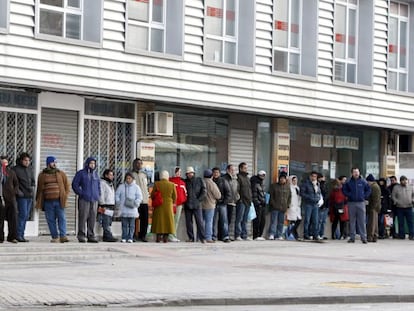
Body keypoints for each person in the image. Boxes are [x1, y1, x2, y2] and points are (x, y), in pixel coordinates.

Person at [35, 156, 70, 243]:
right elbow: (39, 188)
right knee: (50, 219)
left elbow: (67, 185)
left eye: (55, 162)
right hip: (47, 201)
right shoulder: (42, 175)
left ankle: (63, 236)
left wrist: (65, 195)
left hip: (59, 200)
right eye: (53, 162)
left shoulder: (61, 173)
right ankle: (55, 237)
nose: (54, 164)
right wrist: (38, 200)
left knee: (62, 218)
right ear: (48, 163)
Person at [72, 157, 101, 243]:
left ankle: (91, 235)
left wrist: (98, 194)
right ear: (87, 164)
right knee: (83, 217)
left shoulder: (96, 174)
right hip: (84, 199)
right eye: (91, 163)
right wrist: (81, 193)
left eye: (94, 163)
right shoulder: (81, 173)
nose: (92, 165)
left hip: (94, 199)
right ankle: (81, 235)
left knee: (92, 218)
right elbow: (75, 185)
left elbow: (98, 186)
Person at [342, 167, 371, 244]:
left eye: (357, 172)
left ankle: (363, 237)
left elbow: (368, 189)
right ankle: (352, 237)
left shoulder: (363, 181)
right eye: (354, 172)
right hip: (351, 202)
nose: (356, 173)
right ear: (352, 173)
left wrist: (364, 196)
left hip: (361, 203)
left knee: (362, 221)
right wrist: (349, 195)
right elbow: (344, 190)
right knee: (352, 220)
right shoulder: (348, 181)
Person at [13, 152, 36, 242]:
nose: (27, 162)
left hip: (29, 196)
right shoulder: (15, 169)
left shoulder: (30, 169)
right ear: (21, 160)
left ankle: (21, 234)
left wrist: (32, 188)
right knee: (22, 215)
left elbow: (33, 181)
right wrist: (18, 192)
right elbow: (13, 183)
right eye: (25, 160)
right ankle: (18, 235)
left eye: (28, 160)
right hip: (21, 196)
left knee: (26, 216)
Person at [115, 172, 142, 243]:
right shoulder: (121, 186)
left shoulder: (136, 187)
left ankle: (130, 237)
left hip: (132, 209)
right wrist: (118, 202)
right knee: (124, 224)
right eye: (127, 178)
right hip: (123, 209)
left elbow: (139, 197)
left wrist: (136, 203)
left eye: (129, 178)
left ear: (133, 179)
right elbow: (117, 195)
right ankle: (124, 237)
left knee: (132, 225)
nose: (128, 180)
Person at [183, 166, 206, 243]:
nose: (190, 174)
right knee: (189, 223)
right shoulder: (185, 182)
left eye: (191, 173)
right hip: (188, 204)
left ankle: (202, 238)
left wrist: (198, 200)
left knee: (199, 222)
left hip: (197, 205)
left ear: (193, 173)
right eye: (188, 173)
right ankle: (191, 238)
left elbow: (204, 191)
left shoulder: (199, 180)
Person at [0, 156, 19, 243]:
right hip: (1, 198)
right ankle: (0, 237)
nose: (4, 164)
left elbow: (16, 184)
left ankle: (12, 237)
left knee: (13, 218)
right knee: (1, 218)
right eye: (2, 162)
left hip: (11, 198)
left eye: (5, 162)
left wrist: (14, 192)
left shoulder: (11, 172)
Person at [268, 172, 291, 240]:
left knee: (281, 222)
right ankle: (272, 234)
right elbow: (270, 196)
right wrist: (273, 204)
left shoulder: (287, 187)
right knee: (273, 221)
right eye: (281, 178)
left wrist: (287, 205)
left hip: (283, 208)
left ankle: (279, 235)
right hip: (275, 207)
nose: (282, 180)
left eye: (283, 178)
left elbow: (289, 197)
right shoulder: (274, 186)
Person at [300, 171, 323, 241]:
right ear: (310, 176)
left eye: (315, 176)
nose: (314, 178)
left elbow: (319, 193)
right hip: (308, 204)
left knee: (315, 220)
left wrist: (318, 198)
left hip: (315, 204)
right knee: (307, 220)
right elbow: (302, 193)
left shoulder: (317, 184)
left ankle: (315, 234)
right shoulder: (306, 184)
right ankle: (306, 234)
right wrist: (310, 197)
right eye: (313, 176)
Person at [131, 158, 149, 242]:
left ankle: (143, 235)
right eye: (138, 163)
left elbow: (146, 186)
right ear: (134, 164)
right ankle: (133, 234)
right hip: (135, 200)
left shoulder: (144, 175)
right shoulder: (131, 174)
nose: (139, 165)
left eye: (141, 163)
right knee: (134, 218)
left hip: (144, 200)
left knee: (144, 219)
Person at [200, 169, 221, 243]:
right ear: (211, 176)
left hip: (201, 205)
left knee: (201, 222)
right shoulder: (212, 183)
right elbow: (218, 195)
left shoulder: (201, 182)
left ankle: (200, 237)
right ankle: (208, 237)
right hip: (210, 205)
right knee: (209, 221)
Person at [212, 167, 231, 243]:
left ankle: (225, 236)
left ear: (219, 173)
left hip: (222, 204)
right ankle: (213, 236)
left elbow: (228, 192)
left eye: (217, 172)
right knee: (213, 221)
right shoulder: (211, 181)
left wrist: (225, 202)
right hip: (213, 204)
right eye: (214, 172)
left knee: (224, 220)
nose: (216, 174)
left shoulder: (223, 181)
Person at [391, 175, 414, 240]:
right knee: (401, 222)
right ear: (400, 181)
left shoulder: (411, 187)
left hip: (409, 207)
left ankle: (411, 235)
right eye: (403, 181)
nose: (404, 182)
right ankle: (402, 235)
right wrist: (396, 202)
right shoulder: (396, 187)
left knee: (410, 222)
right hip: (400, 207)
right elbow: (393, 196)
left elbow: (413, 195)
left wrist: (412, 200)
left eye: (405, 180)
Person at [98, 169, 118, 242]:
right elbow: (101, 194)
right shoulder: (102, 183)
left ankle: (106, 235)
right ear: (106, 175)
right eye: (110, 175)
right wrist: (102, 203)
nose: (112, 176)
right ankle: (108, 236)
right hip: (105, 205)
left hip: (111, 204)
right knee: (105, 221)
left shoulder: (110, 183)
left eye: (112, 175)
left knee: (109, 221)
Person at [168, 167, 187, 242]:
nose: (179, 173)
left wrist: (182, 201)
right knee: (171, 220)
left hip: (179, 204)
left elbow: (185, 194)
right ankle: (170, 235)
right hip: (171, 203)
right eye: (177, 172)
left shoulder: (182, 182)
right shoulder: (170, 181)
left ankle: (173, 235)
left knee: (176, 220)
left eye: (180, 172)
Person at [235, 162, 252, 241]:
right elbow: (236, 190)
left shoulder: (247, 178)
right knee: (239, 219)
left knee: (245, 220)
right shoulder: (238, 177)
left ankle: (244, 235)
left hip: (248, 201)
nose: (246, 169)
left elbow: (249, 190)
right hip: (241, 201)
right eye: (244, 168)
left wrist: (250, 199)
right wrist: (239, 199)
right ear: (240, 168)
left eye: (246, 168)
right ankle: (237, 234)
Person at [222, 164, 239, 237]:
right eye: (231, 170)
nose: (233, 171)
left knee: (229, 220)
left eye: (234, 170)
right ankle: (224, 235)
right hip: (226, 202)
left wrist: (237, 197)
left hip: (232, 202)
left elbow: (236, 190)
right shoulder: (224, 178)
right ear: (227, 170)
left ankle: (227, 234)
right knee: (224, 220)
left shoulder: (234, 179)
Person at [251, 170, 267, 241]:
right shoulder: (255, 183)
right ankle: (256, 235)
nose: (263, 177)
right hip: (257, 205)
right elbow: (254, 194)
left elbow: (263, 194)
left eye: (264, 175)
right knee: (257, 220)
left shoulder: (262, 183)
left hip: (262, 204)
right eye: (262, 175)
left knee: (263, 220)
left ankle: (260, 234)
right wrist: (257, 203)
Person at [366, 174, 381, 242]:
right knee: (375, 223)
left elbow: (376, 199)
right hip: (375, 207)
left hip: (373, 207)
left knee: (372, 223)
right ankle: (375, 236)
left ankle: (370, 236)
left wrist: (372, 207)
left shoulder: (374, 187)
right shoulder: (375, 186)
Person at [286, 175, 301, 240]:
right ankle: (293, 234)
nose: (295, 182)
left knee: (298, 220)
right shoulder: (289, 188)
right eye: (293, 180)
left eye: (295, 180)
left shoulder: (297, 188)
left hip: (297, 206)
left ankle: (292, 232)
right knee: (292, 221)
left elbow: (299, 197)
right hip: (291, 206)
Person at [317, 173, 329, 240]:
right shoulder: (319, 185)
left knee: (323, 221)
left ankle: (322, 234)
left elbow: (327, 194)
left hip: (326, 204)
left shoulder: (325, 185)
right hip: (321, 205)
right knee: (319, 220)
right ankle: (318, 233)